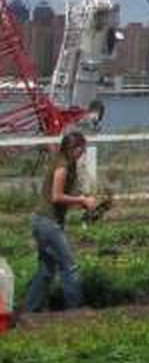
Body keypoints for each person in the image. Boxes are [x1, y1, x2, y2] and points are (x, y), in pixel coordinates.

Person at [24, 130, 96, 314]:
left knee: (46, 270)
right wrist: (81, 200)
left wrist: (80, 201)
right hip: (48, 223)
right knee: (69, 266)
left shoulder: (67, 162)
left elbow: (60, 197)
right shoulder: (62, 166)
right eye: (82, 148)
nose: (84, 152)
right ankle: (76, 309)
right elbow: (56, 197)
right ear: (74, 148)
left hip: (43, 221)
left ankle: (29, 310)